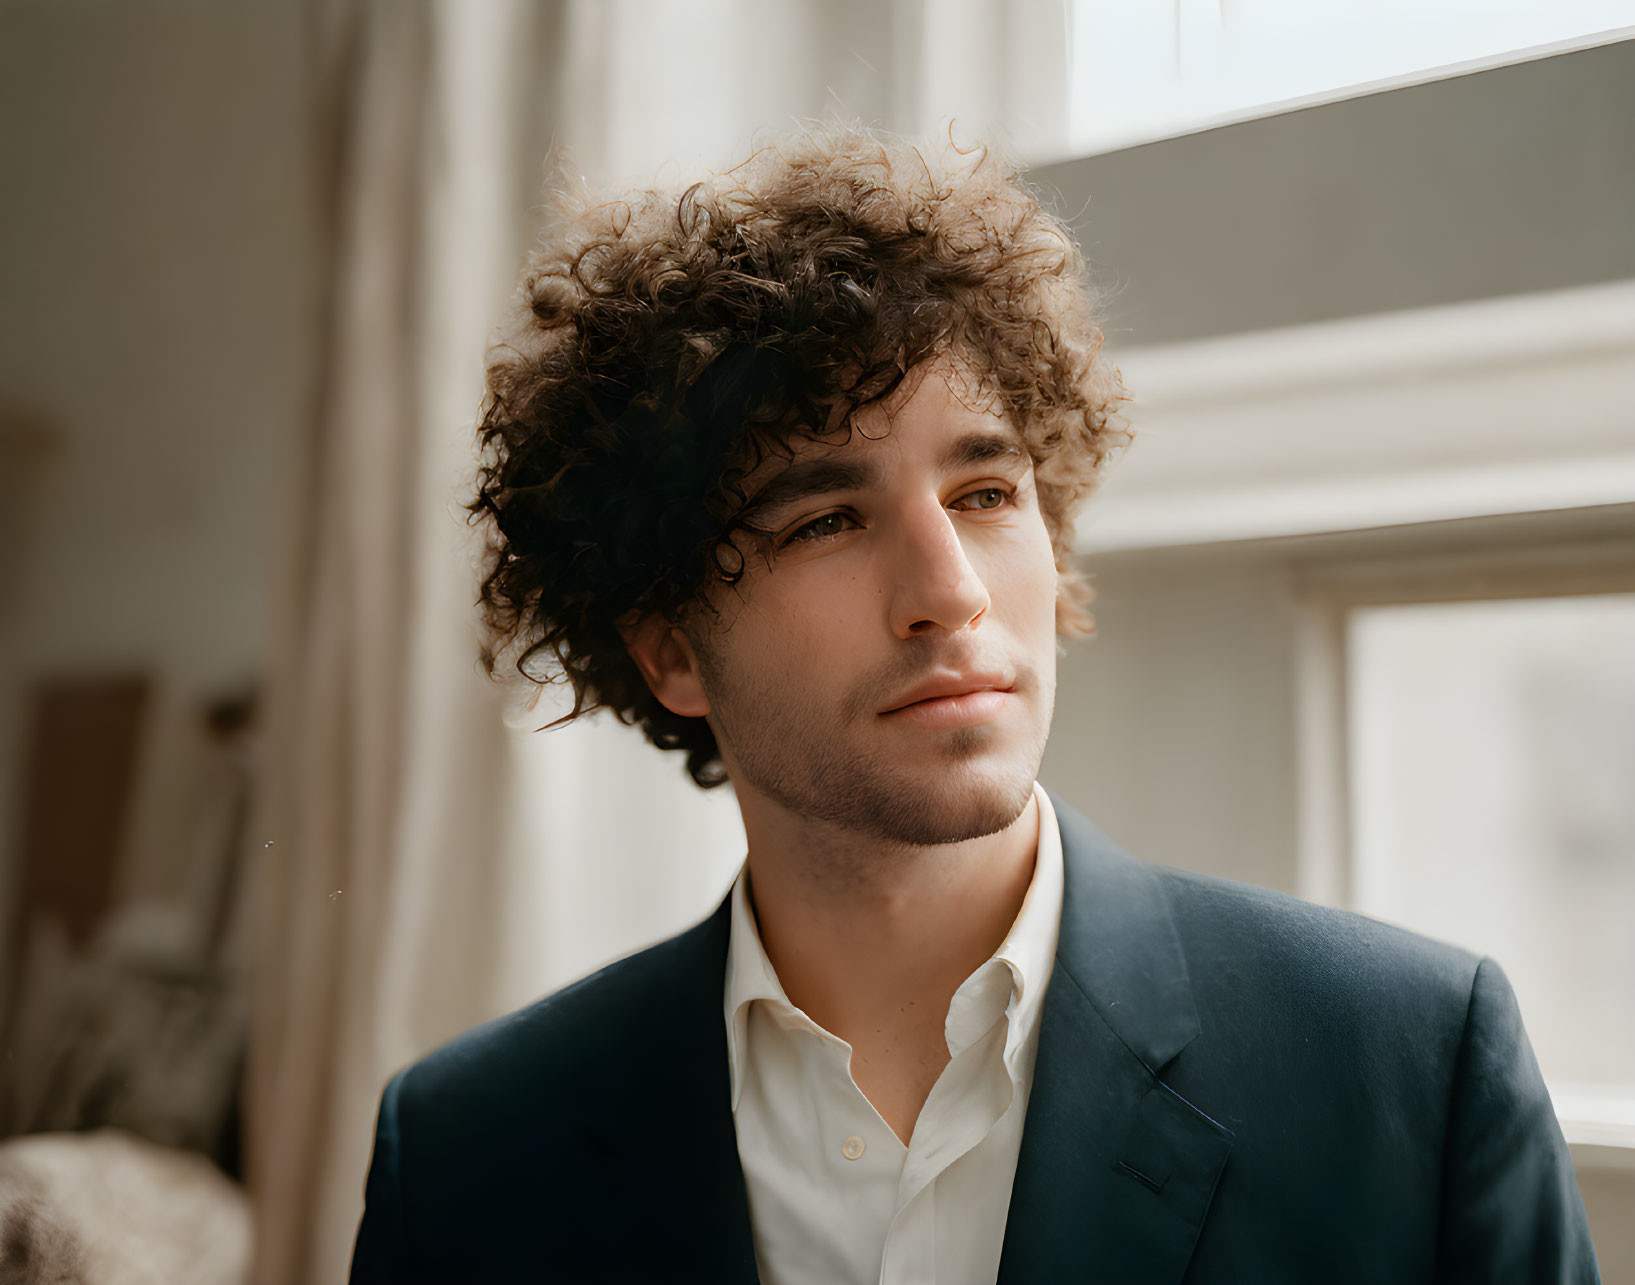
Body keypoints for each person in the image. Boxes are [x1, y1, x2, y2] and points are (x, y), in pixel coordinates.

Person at [349, 126, 1599, 1284]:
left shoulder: (1413, 1071)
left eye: (988, 493)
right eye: (828, 518)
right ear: (672, 650)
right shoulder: (466, 1152)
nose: (949, 593)